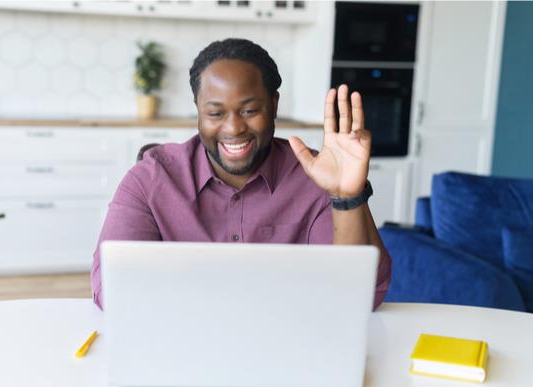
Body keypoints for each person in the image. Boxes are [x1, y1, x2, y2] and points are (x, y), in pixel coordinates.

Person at [90, 38, 391, 310]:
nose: (233, 129)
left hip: (289, 342)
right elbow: (110, 289)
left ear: (274, 105)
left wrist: (346, 196)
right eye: (216, 113)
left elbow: (362, 296)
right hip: (184, 341)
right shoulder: (149, 179)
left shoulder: (316, 176)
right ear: (198, 110)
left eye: (249, 110)